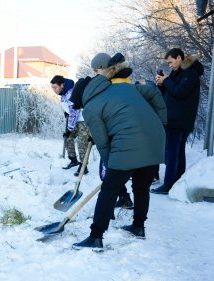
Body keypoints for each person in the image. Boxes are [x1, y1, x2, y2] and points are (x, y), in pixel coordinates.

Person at [72, 52, 166, 250]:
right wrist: (162, 120)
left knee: (109, 189)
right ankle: (138, 227)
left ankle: (95, 236)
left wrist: (110, 166)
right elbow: (152, 91)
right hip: (155, 140)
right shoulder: (122, 87)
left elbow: (103, 142)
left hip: (129, 144)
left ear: (83, 98)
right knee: (141, 187)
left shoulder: (90, 107)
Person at [151, 48, 204, 195]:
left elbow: (180, 92)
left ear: (179, 58)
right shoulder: (178, 73)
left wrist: (166, 80)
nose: (170, 66)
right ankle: (177, 181)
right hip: (174, 118)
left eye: (171, 62)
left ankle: (168, 184)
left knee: (171, 152)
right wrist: (161, 84)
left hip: (179, 119)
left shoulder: (190, 72)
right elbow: (170, 93)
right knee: (177, 151)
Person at [50, 75, 91, 176]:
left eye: (55, 87)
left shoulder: (71, 93)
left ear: (62, 85)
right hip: (77, 120)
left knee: (82, 142)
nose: (54, 90)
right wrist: (66, 112)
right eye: (52, 88)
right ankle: (73, 160)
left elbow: (74, 112)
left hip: (84, 120)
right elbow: (70, 110)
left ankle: (83, 166)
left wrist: (70, 128)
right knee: (68, 137)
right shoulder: (65, 93)